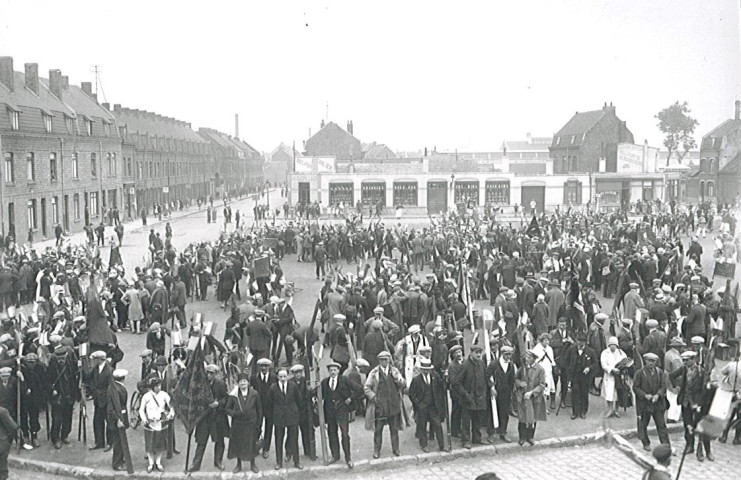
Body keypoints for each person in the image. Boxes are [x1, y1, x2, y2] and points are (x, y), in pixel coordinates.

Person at [670, 351, 713, 461]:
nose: (684, 362)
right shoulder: (684, 369)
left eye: (686, 360)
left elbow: (705, 390)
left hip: (698, 404)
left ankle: (706, 451)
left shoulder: (701, 372)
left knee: (702, 428)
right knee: (687, 424)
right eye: (683, 360)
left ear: (693, 359)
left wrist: (701, 404)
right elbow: (671, 375)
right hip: (685, 402)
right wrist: (676, 387)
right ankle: (690, 446)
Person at [364, 350, 406, 458]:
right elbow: (366, 388)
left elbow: (403, 384)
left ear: (389, 360)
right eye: (382, 360)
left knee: (394, 429)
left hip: (393, 405)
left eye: (386, 359)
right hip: (380, 407)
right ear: (379, 361)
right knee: (378, 430)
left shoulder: (394, 371)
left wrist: (399, 381)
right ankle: (376, 450)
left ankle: (396, 449)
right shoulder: (374, 373)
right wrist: (374, 398)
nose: (384, 362)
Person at [188, 364, 229, 472]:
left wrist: (218, 403)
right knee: (201, 441)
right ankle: (195, 464)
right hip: (204, 417)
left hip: (217, 417)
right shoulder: (200, 384)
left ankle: (218, 461)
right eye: (208, 372)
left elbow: (226, 399)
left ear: (216, 374)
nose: (209, 375)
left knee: (219, 441)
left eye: (212, 373)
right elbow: (195, 398)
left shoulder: (220, 384)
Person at [321, 361, 360, 468]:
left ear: (338, 371)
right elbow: (319, 394)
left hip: (342, 411)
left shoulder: (345, 380)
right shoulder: (325, 382)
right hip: (330, 411)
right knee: (332, 433)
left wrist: (350, 398)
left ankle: (348, 458)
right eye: (331, 370)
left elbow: (359, 389)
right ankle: (335, 455)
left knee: (344, 434)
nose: (333, 372)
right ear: (328, 371)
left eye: (335, 370)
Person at [452, 345, 491, 449]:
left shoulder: (481, 363)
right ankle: (465, 441)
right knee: (466, 421)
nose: (478, 355)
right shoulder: (465, 365)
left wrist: (491, 387)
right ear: (471, 353)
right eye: (476, 352)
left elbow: (486, 377)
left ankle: (477, 438)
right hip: (468, 398)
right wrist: (465, 394)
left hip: (480, 397)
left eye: (480, 352)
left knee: (478, 419)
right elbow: (456, 382)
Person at [633, 352, 670, 451]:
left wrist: (658, 395)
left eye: (653, 361)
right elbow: (635, 388)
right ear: (645, 361)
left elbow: (663, 386)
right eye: (649, 361)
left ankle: (666, 445)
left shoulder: (659, 372)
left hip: (657, 404)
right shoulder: (640, 373)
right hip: (644, 404)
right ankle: (646, 443)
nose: (651, 363)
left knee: (661, 425)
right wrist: (645, 395)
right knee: (643, 424)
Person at [267, 367, 303, 470]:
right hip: (279, 418)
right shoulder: (273, 388)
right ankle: (279, 462)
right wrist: (273, 417)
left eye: (284, 376)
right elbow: (269, 404)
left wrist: (296, 414)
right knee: (279, 440)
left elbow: (299, 401)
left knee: (294, 440)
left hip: (292, 417)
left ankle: (297, 462)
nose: (283, 378)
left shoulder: (293, 386)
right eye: (280, 376)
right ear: (277, 377)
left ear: (287, 376)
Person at [226, 373, 261, 474]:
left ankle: (253, 464)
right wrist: (235, 414)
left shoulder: (255, 394)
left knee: (252, 444)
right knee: (239, 444)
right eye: (241, 382)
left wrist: (259, 424)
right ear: (238, 383)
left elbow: (259, 410)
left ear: (248, 383)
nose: (243, 383)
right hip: (238, 424)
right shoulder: (234, 395)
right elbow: (227, 409)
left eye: (244, 381)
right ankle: (238, 465)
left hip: (252, 424)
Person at [44, 345, 79, 449]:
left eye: (62, 358)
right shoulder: (51, 366)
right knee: (57, 418)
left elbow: (75, 377)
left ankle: (65, 435)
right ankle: (56, 439)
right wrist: (52, 390)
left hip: (69, 395)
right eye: (59, 358)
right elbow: (46, 381)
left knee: (68, 417)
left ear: (66, 355)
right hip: (57, 396)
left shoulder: (71, 364)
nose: (61, 360)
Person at [408, 359, 446, 452]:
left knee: (438, 424)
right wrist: (418, 404)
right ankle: (423, 445)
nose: (426, 371)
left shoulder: (435, 377)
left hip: (433, 406)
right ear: (421, 369)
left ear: (430, 369)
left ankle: (442, 445)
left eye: (427, 369)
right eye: (424, 369)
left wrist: (446, 379)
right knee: (422, 426)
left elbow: (442, 388)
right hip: (422, 407)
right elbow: (411, 394)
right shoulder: (416, 380)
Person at [139, 377, 175, 472]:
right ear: (152, 387)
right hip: (150, 423)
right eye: (156, 386)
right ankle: (151, 463)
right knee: (150, 444)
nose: (158, 387)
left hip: (160, 423)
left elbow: (171, 406)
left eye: (159, 385)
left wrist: (171, 414)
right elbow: (141, 410)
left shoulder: (164, 395)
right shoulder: (146, 396)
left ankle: (158, 462)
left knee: (160, 444)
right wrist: (144, 419)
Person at [515, 349, 547, 445]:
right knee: (522, 418)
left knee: (532, 418)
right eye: (526, 357)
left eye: (529, 357)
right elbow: (516, 378)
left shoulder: (540, 369)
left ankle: (530, 437)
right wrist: (520, 383)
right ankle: (522, 437)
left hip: (534, 399)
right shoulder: (522, 368)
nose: (527, 359)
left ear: (534, 359)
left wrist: (532, 392)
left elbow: (542, 385)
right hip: (523, 397)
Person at [564, 332, 598, 420]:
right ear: (576, 341)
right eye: (579, 341)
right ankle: (575, 412)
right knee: (575, 393)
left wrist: (589, 368)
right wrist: (569, 373)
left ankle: (583, 411)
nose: (580, 343)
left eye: (582, 341)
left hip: (585, 377)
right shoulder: (571, 349)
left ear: (585, 342)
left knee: (584, 393)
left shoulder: (591, 351)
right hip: (574, 375)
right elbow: (565, 361)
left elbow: (595, 364)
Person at [85, 350, 112, 451]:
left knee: (109, 422)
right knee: (97, 421)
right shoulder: (96, 368)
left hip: (106, 400)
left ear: (100, 359)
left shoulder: (109, 370)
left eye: (94, 359)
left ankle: (110, 443)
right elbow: (88, 377)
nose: (93, 361)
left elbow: (111, 387)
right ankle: (99, 442)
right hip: (97, 400)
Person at [488, 344, 515, 443]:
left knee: (504, 413)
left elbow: (512, 379)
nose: (508, 356)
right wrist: (491, 387)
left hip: (506, 393)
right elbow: (487, 377)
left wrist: (511, 392)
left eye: (510, 354)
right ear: (502, 353)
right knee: (493, 412)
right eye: (506, 354)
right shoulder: (494, 364)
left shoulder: (511, 365)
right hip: (495, 392)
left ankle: (502, 432)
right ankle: (490, 433)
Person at [251, 357, 277, 458]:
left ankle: (266, 449)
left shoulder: (274, 377)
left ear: (269, 367)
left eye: (266, 366)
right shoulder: (254, 378)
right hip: (257, 407)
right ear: (259, 367)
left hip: (270, 407)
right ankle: (255, 446)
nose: (264, 368)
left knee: (269, 428)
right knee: (257, 426)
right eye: (262, 366)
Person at [107, 368, 130, 471]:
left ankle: (120, 459)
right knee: (118, 441)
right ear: (123, 378)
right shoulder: (116, 389)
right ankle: (117, 463)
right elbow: (112, 408)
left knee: (120, 440)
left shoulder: (115, 387)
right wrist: (118, 420)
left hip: (121, 417)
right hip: (118, 418)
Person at [600, 336, 627, 418]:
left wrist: (623, 369)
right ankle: (610, 409)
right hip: (609, 376)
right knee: (609, 393)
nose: (613, 347)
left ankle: (616, 410)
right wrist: (611, 369)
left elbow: (626, 361)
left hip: (619, 377)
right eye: (611, 345)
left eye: (614, 345)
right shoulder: (605, 353)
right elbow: (603, 364)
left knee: (618, 393)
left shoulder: (621, 353)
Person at [0, 404, 17, 480]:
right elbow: (13, 428)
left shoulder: (2, 412)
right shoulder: (2, 411)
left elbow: (12, 428)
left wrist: (7, 440)